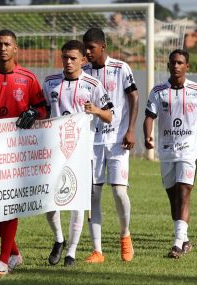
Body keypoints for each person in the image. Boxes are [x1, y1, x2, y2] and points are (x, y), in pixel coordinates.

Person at [0, 29, 47, 276]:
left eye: (7, 44)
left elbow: (42, 109)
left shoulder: (28, 78)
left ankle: (3, 260)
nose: (3, 48)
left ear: (16, 48)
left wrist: (34, 113)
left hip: (18, 151)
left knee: (9, 203)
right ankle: (14, 253)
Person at [44, 40, 112, 266]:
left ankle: (71, 252)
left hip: (83, 154)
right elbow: (43, 111)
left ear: (83, 60)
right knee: (49, 202)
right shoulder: (50, 83)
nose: (68, 62)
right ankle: (59, 239)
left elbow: (110, 115)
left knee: (77, 203)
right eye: (65, 57)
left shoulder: (93, 84)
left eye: (73, 58)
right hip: (55, 153)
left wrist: (96, 110)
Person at [144, 49, 197, 259]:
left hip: (188, 151)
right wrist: (148, 135)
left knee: (184, 192)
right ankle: (185, 239)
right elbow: (149, 116)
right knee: (173, 198)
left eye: (180, 62)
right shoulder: (158, 91)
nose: (176, 66)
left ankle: (177, 243)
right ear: (168, 65)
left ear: (187, 66)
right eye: (173, 62)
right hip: (166, 151)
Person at [82, 27, 138, 262]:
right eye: (85, 48)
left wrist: (131, 129)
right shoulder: (82, 72)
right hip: (90, 141)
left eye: (91, 48)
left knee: (119, 192)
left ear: (103, 47)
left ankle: (125, 236)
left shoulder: (120, 68)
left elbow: (134, 97)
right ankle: (97, 250)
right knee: (93, 194)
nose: (87, 52)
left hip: (116, 141)